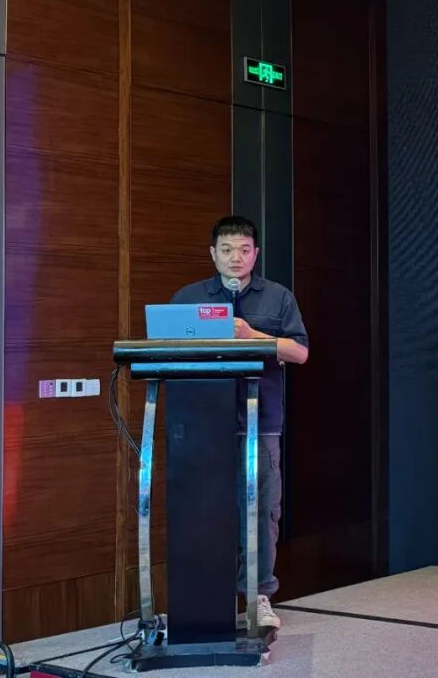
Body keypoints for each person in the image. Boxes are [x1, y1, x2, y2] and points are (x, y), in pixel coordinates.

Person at [171, 215, 309, 630]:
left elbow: (300, 353)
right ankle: (206, 597)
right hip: (203, 425)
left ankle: (258, 595)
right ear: (213, 254)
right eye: (227, 250)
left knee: (262, 511)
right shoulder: (188, 298)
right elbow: (167, 350)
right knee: (204, 511)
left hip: (260, 421)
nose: (236, 257)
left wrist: (252, 335)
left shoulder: (278, 298)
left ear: (256, 254)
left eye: (244, 250)